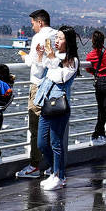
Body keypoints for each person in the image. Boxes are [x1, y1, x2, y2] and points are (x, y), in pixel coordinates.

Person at [30, 25, 78, 189]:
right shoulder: (55, 57)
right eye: (56, 37)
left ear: (68, 41)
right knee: (42, 144)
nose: (56, 41)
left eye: (60, 38)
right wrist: (41, 55)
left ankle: (58, 176)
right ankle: (55, 171)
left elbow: (60, 78)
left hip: (59, 107)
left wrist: (50, 59)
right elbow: (41, 70)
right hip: (46, 104)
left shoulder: (72, 61)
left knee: (56, 143)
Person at [19, 8, 62, 181]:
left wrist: (24, 57)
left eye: (33, 24)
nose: (32, 28)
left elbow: (35, 64)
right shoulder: (58, 35)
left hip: (39, 87)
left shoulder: (39, 37)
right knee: (52, 128)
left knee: (35, 127)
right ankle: (54, 166)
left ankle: (35, 165)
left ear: (40, 22)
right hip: (54, 87)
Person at [85, 30, 106, 143]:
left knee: (102, 109)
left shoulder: (90, 55)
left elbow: (89, 69)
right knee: (105, 110)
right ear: (103, 40)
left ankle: (100, 134)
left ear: (93, 41)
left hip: (99, 82)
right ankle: (96, 134)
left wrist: (98, 72)